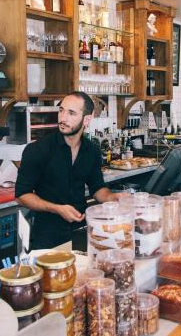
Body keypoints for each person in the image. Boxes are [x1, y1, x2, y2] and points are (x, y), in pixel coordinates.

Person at [15, 91, 122, 249]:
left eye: (71, 113)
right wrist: (57, 209)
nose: (63, 118)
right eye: (61, 110)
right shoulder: (37, 150)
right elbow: (21, 195)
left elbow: (97, 188)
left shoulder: (92, 150)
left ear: (87, 119)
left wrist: (113, 197)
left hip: (81, 232)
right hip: (48, 238)